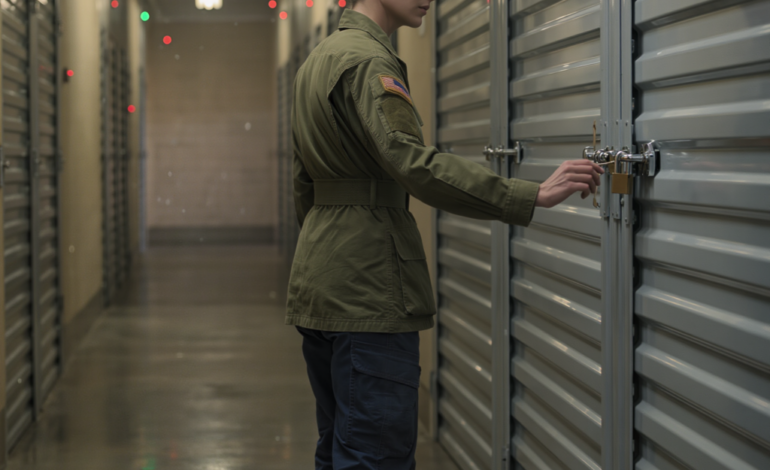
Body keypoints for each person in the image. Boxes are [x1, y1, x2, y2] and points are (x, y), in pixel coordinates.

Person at [285, 0, 604, 467]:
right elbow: (413, 163)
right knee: (375, 455)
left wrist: (325, 257)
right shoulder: (370, 60)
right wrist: (527, 194)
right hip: (369, 290)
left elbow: (303, 181)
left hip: (322, 284)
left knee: (337, 448)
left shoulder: (318, 60)